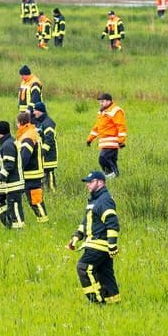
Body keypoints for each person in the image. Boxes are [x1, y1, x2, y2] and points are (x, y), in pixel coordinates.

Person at [66, 171, 121, 304]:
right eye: (87, 182)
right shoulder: (95, 200)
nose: (88, 185)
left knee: (83, 268)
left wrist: (112, 244)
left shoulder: (104, 200)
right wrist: (76, 237)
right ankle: (113, 302)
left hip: (98, 244)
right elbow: (86, 222)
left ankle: (96, 301)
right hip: (94, 243)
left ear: (101, 182)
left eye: (91, 182)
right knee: (105, 274)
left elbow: (112, 223)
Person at [0, 121, 25, 229]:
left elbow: (8, 165)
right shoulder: (7, 143)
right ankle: (8, 224)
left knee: (14, 208)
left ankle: (19, 230)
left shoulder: (8, 145)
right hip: (7, 184)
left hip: (13, 184)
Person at [16, 112, 48, 223]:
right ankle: (43, 220)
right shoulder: (30, 132)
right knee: (34, 200)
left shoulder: (28, 136)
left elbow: (24, 156)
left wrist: (18, 169)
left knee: (35, 200)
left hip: (32, 174)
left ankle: (44, 221)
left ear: (20, 123)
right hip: (33, 173)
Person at [86, 92, 127, 178]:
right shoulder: (102, 112)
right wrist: (90, 139)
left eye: (103, 101)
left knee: (103, 158)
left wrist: (121, 141)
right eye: (100, 102)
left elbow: (121, 126)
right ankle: (115, 176)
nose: (101, 103)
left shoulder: (115, 110)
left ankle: (111, 175)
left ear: (109, 101)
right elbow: (97, 127)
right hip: (105, 142)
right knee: (111, 160)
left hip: (112, 142)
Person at [32, 102, 58, 191]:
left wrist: (41, 152)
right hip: (42, 157)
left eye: (35, 110)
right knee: (43, 179)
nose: (34, 112)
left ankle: (53, 196)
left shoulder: (48, 123)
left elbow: (49, 140)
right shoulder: (40, 122)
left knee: (49, 177)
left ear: (40, 111)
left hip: (48, 158)